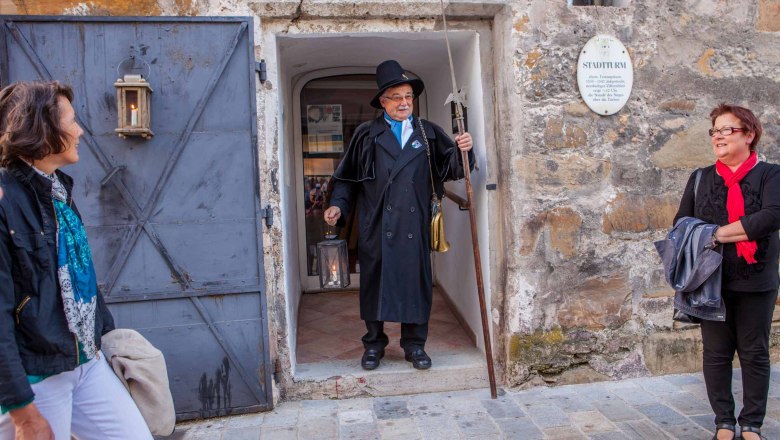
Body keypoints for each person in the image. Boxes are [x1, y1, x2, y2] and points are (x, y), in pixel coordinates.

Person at [0, 81, 152, 439]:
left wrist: (109, 338)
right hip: (38, 374)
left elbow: (82, 277)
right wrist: (23, 414)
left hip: (85, 362)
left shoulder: (57, 191)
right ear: (40, 128)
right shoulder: (6, 200)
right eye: (71, 120)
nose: (80, 130)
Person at [323, 60, 474, 371]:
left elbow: (453, 169)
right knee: (373, 286)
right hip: (376, 224)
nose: (405, 103)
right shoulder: (366, 135)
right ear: (383, 101)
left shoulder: (428, 132)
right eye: (397, 97)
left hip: (414, 225)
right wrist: (338, 205)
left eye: (408, 96)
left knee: (415, 285)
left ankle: (414, 345)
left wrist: (464, 150)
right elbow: (346, 179)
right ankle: (374, 346)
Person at [673, 104, 779, 440]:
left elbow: (772, 217)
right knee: (716, 354)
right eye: (714, 130)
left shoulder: (770, 175)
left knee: (754, 352)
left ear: (749, 135)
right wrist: (725, 232)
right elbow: (681, 223)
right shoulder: (701, 178)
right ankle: (723, 421)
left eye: (726, 129)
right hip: (711, 282)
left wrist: (715, 233)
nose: (718, 136)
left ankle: (751, 423)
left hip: (756, 279)